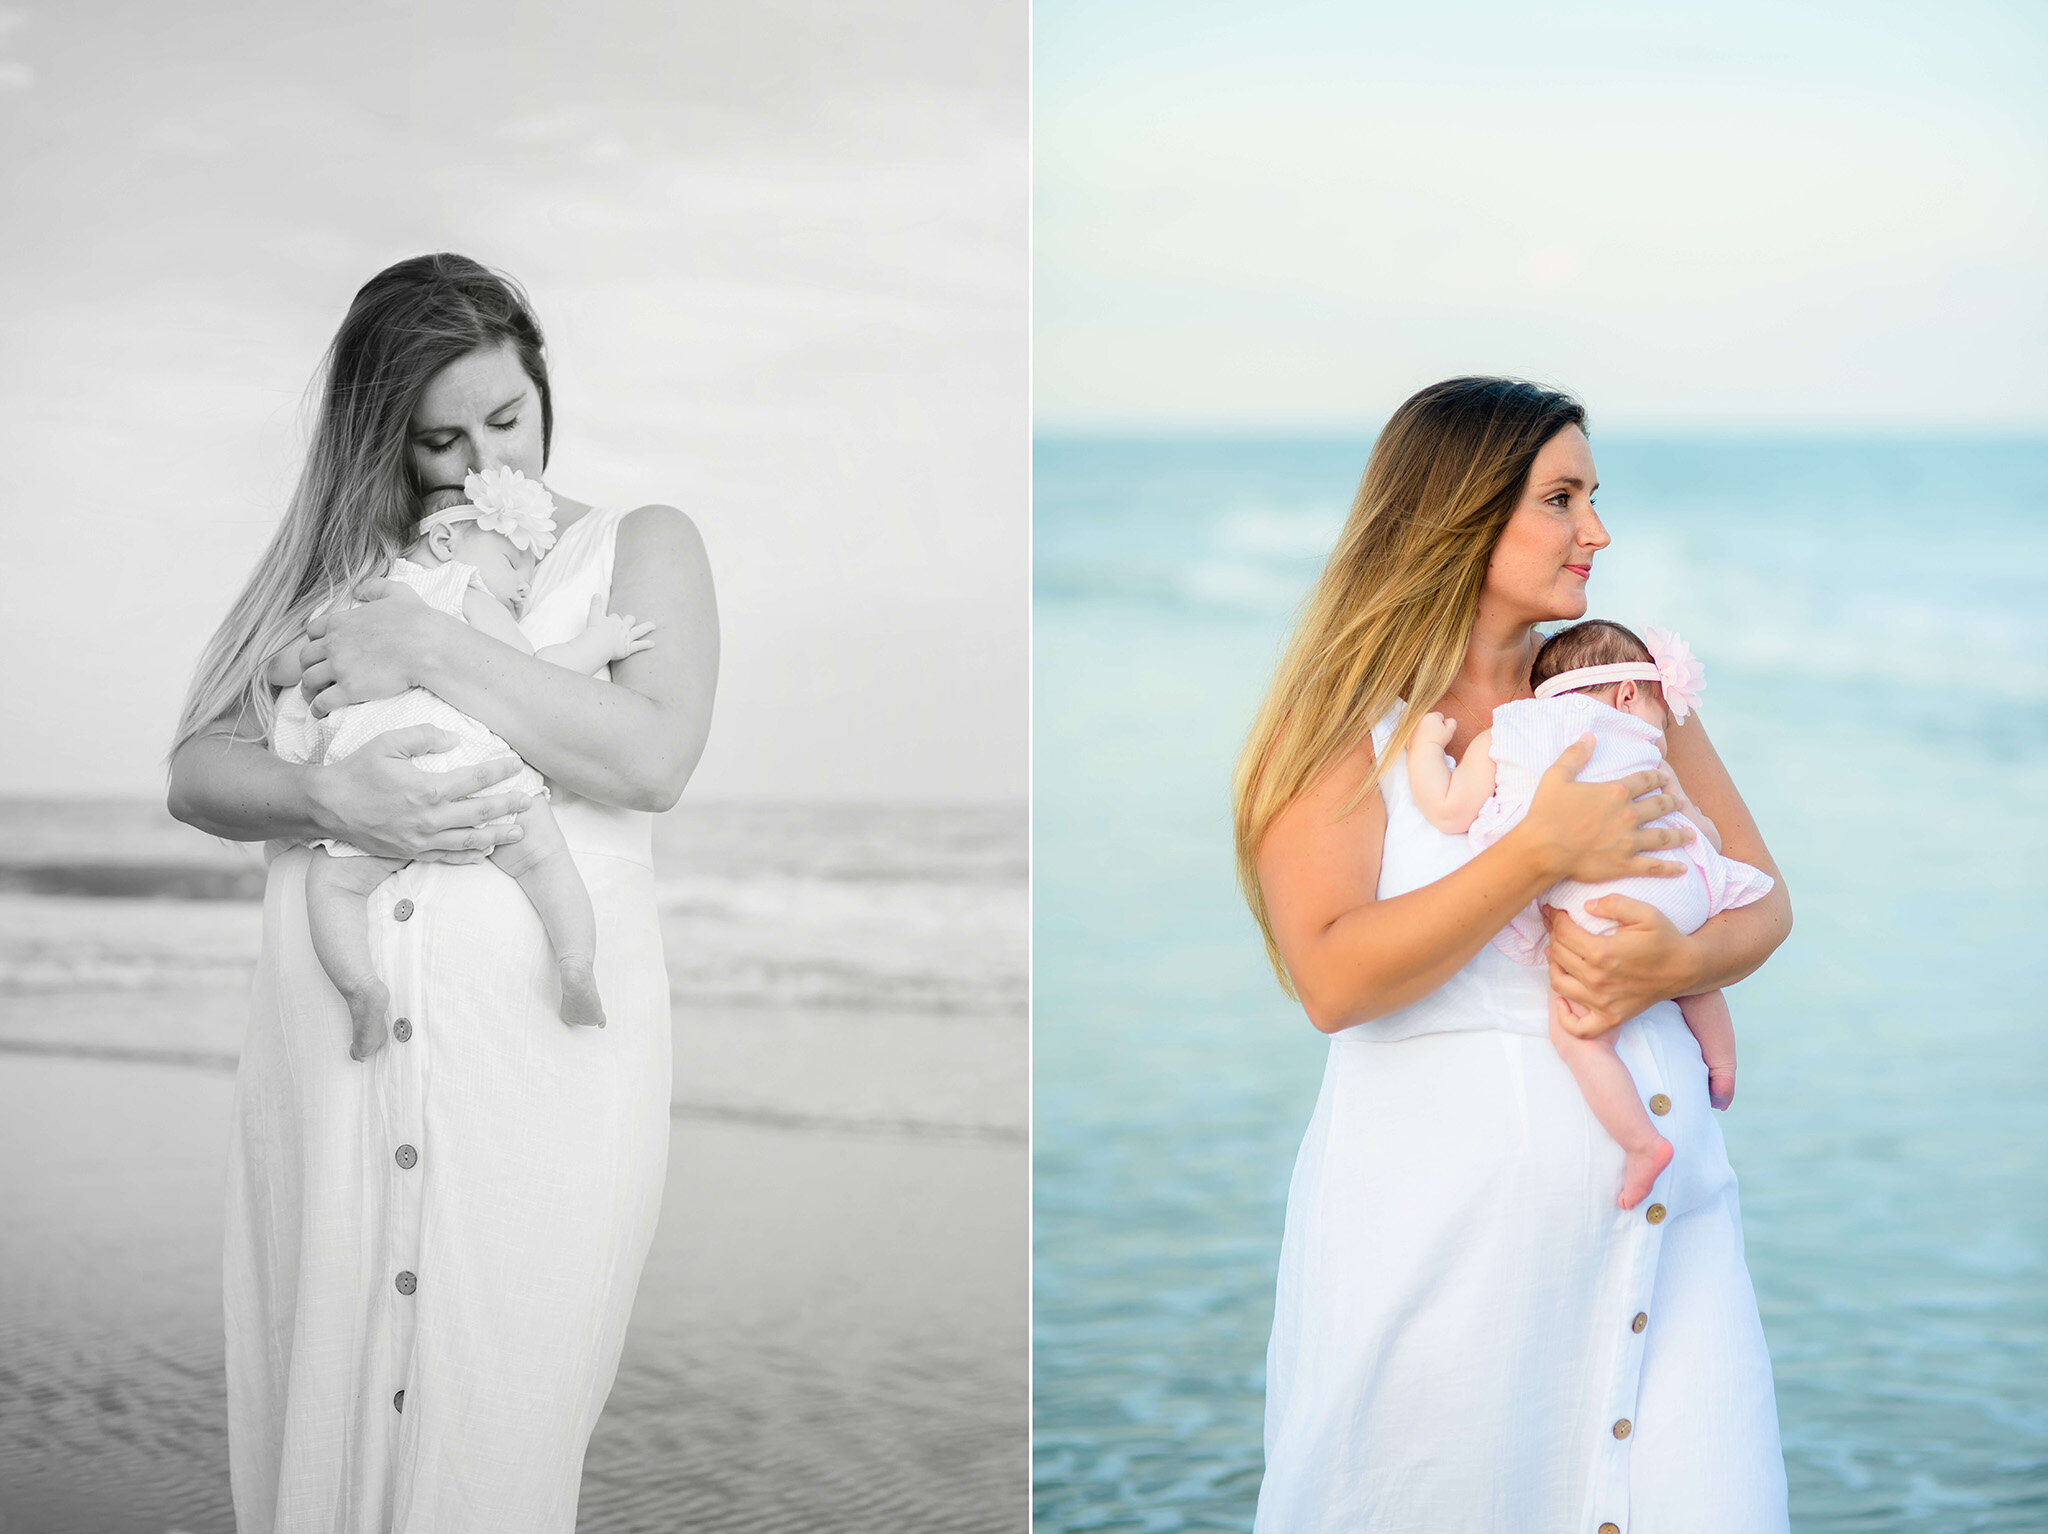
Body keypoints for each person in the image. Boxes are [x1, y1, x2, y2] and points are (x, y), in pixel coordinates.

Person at [167, 252, 719, 1532]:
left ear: (542, 388)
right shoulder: (336, 570)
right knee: (329, 1400)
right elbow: (197, 771)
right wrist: (328, 801)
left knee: (501, 1418)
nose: (482, 462)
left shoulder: (637, 546)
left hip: (544, 1060)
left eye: (506, 420)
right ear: (381, 439)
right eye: (438, 440)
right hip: (332, 1054)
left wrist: (428, 644)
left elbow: (649, 759)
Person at [1233, 377, 1791, 1531]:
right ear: (1458, 510)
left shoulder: (1613, 685)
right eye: (1559, 497)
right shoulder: (1350, 719)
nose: (1595, 530)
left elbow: (1763, 898)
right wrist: (1539, 849)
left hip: (1671, 1221)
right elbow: (1333, 979)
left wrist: (1666, 968)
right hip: (1452, 1252)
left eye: (1592, 496)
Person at [268, 470, 658, 1058]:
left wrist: (305, 652)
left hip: (380, 777)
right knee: (545, 859)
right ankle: (576, 965)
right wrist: (602, 642)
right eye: (513, 563)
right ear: (448, 543)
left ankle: (362, 989)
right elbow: (537, 666)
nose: (524, 589)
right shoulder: (466, 589)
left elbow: (280, 670)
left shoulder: (359, 595)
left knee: (333, 887)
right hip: (476, 766)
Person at [1404, 618, 1774, 1208]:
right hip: (1681, 882)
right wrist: (1698, 845)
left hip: (1595, 900)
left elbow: (1449, 811)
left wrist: (1426, 747)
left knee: (1577, 1035)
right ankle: (1722, 1068)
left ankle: (1639, 1146)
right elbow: (1695, 819)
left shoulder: (1508, 730)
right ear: (1629, 695)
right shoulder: (1645, 742)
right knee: (1691, 971)